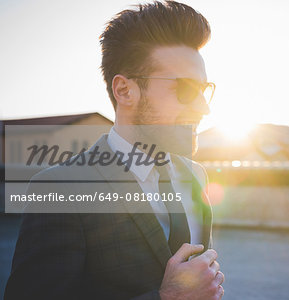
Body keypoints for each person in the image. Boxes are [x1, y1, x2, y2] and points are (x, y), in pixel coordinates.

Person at [4, 1, 224, 299]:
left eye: (204, 89)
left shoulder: (196, 175)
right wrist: (166, 297)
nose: (204, 107)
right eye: (185, 89)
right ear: (124, 91)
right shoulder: (60, 189)